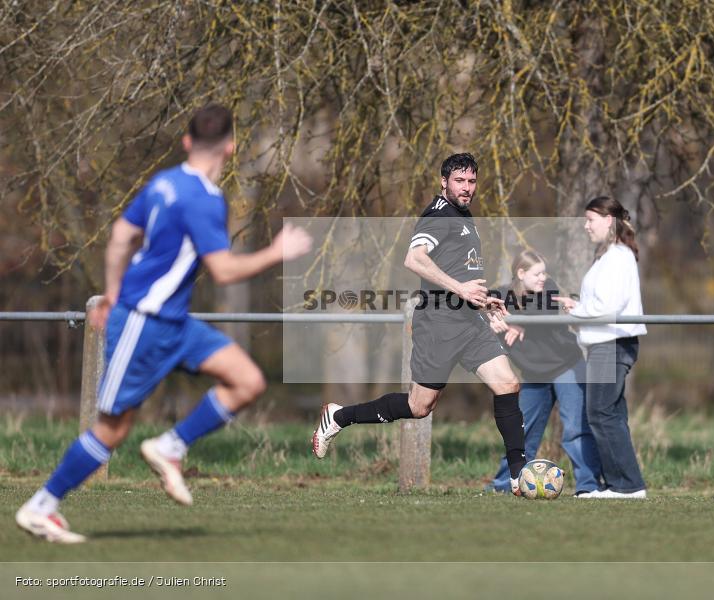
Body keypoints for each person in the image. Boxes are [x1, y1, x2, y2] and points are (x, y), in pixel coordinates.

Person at [15, 104, 313, 543]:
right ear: (230, 148)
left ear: (187, 142)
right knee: (112, 429)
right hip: (143, 324)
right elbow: (224, 271)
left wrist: (111, 289)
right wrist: (276, 252)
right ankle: (41, 507)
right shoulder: (205, 199)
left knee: (247, 380)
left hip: (174, 323)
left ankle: (171, 446)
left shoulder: (162, 183)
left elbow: (119, 237)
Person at [311, 153, 527, 493]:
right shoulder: (438, 215)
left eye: (471, 181)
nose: (467, 187)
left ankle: (519, 476)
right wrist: (460, 290)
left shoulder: (464, 217)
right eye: (460, 181)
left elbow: (461, 275)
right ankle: (339, 416)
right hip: (438, 324)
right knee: (419, 406)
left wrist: (482, 301)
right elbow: (414, 259)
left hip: (468, 323)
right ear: (444, 182)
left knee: (507, 384)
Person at [486, 250, 605, 497]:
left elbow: (543, 312)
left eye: (544, 272)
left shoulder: (548, 289)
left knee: (575, 428)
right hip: (534, 373)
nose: (543, 277)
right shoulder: (501, 296)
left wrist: (515, 320)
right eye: (536, 273)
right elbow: (485, 313)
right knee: (522, 430)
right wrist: (497, 325)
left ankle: (588, 485)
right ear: (520, 274)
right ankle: (505, 484)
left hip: (567, 366)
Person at [554, 196, 648, 499]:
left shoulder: (618, 256)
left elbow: (608, 306)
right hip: (603, 343)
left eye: (590, 219)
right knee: (610, 414)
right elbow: (600, 304)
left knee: (600, 412)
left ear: (609, 220)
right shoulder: (607, 256)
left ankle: (627, 486)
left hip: (612, 343)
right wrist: (578, 307)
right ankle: (623, 484)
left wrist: (577, 311)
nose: (585, 226)